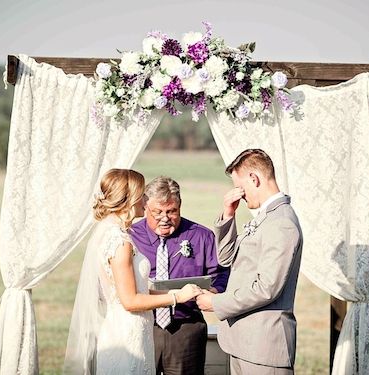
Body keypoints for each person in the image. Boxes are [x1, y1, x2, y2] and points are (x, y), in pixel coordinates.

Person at [63, 169, 202, 375]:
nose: (145, 201)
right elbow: (130, 301)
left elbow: (136, 290)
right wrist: (176, 297)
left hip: (127, 328)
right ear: (129, 199)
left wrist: (179, 294)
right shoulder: (120, 241)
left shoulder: (111, 232)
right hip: (127, 333)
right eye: (141, 195)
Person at [196, 149, 303, 375]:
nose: (239, 195)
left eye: (240, 188)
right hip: (245, 344)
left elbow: (267, 288)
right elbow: (226, 259)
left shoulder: (281, 222)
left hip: (264, 347)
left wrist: (216, 303)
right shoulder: (266, 218)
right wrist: (228, 215)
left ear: (254, 179)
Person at [129, 176, 229, 375]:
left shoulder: (201, 236)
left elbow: (221, 274)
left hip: (186, 328)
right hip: (142, 326)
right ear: (145, 207)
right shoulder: (130, 236)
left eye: (171, 211)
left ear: (180, 206)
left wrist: (212, 291)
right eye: (157, 212)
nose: (165, 218)